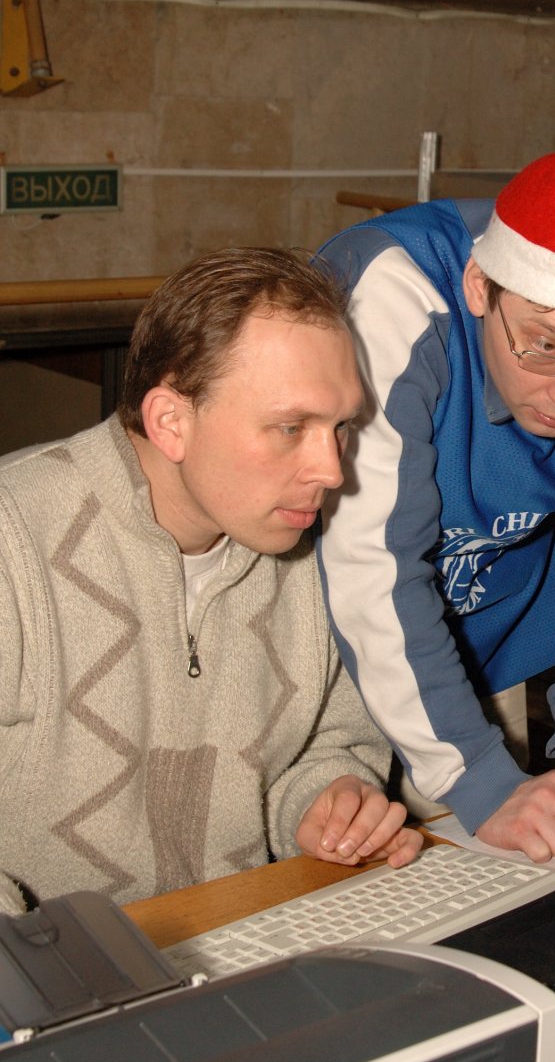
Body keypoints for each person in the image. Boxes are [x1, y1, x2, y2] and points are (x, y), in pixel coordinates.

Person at [317, 127, 555, 862]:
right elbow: (372, 564)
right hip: (315, 661)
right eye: (543, 346)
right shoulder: (392, 296)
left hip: (477, 647)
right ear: (478, 286)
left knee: (493, 881)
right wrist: (476, 774)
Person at [0, 247, 421, 915]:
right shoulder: (13, 540)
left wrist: (327, 800)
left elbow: (327, 743)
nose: (332, 471)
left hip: (245, 938)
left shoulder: (317, 548)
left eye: (341, 426)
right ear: (171, 421)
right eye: (291, 427)